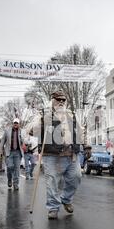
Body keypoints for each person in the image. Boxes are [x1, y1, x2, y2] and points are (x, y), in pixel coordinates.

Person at [27, 90, 83, 220]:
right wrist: (41, 121)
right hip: (51, 156)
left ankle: (66, 199)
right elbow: (31, 131)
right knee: (52, 182)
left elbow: (80, 131)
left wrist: (86, 146)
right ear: (52, 100)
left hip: (71, 154)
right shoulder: (43, 114)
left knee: (76, 177)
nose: (61, 102)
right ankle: (53, 207)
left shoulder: (72, 114)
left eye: (63, 100)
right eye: (58, 100)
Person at [0, 118, 24, 191]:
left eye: (17, 123)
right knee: (10, 167)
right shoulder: (7, 131)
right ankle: (9, 179)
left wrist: (23, 140)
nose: (15, 124)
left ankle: (16, 184)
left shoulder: (21, 132)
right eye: (14, 123)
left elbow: (24, 142)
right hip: (9, 152)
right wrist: (0, 150)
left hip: (18, 152)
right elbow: (2, 141)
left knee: (17, 169)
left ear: (19, 124)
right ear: (13, 124)